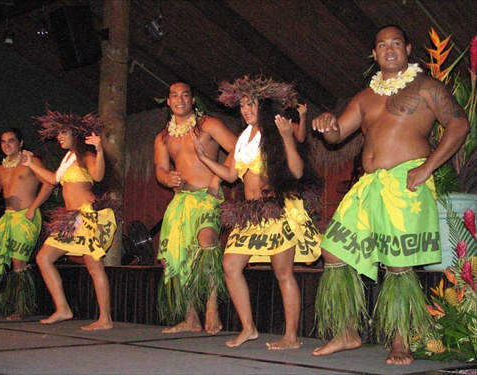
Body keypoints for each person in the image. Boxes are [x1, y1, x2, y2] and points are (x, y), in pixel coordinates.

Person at [311, 25, 470, 365]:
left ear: (408, 49)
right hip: (370, 184)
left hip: (406, 182)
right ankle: (346, 331)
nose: (389, 49)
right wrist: (328, 123)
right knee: (332, 249)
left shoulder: (426, 86)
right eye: (382, 45)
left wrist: (427, 168)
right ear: (375, 54)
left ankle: (401, 340)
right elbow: (337, 136)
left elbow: (459, 125)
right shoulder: (365, 96)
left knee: (397, 263)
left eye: (396, 43)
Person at [191, 75, 323, 350]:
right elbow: (229, 175)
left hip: (275, 211)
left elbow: (297, 172)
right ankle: (248, 327)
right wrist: (204, 158)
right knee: (230, 264)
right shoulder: (242, 139)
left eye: (251, 104)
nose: (245, 109)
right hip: (249, 214)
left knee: (283, 272)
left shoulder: (274, 132)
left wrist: (288, 138)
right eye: (241, 105)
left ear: (263, 106)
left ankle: (291, 336)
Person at [21, 109, 118, 331]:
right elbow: (53, 179)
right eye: (58, 134)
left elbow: (98, 176)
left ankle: (105, 318)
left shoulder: (86, 155)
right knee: (44, 258)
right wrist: (31, 164)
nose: (59, 137)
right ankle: (63, 308)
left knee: (94, 266)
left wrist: (100, 150)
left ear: (76, 133)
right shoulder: (68, 158)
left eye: (63, 132)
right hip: (70, 220)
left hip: (88, 216)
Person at [154, 82, 237, 334]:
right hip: (181, 201)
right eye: (174, 96)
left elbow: (239, 148)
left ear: (192, 100)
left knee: (208, 242)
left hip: (207, 197)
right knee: (177, 256)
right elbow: (159, 168)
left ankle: (212, 308)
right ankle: (191, 318)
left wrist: (216, 180)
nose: (180, 100)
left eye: (185, 95)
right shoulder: (163, 137)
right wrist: (166, 178)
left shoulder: (208, 125)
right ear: (168, 101)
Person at [0, 127, 55, 320]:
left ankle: (22, 307)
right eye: (3, 142)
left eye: (11, 141)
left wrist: (33, 208)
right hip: (8, 217)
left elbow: (50, 183)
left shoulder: (30, 162)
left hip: (27, 217)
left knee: (18, 261)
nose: (7, 145)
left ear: (20, 143)